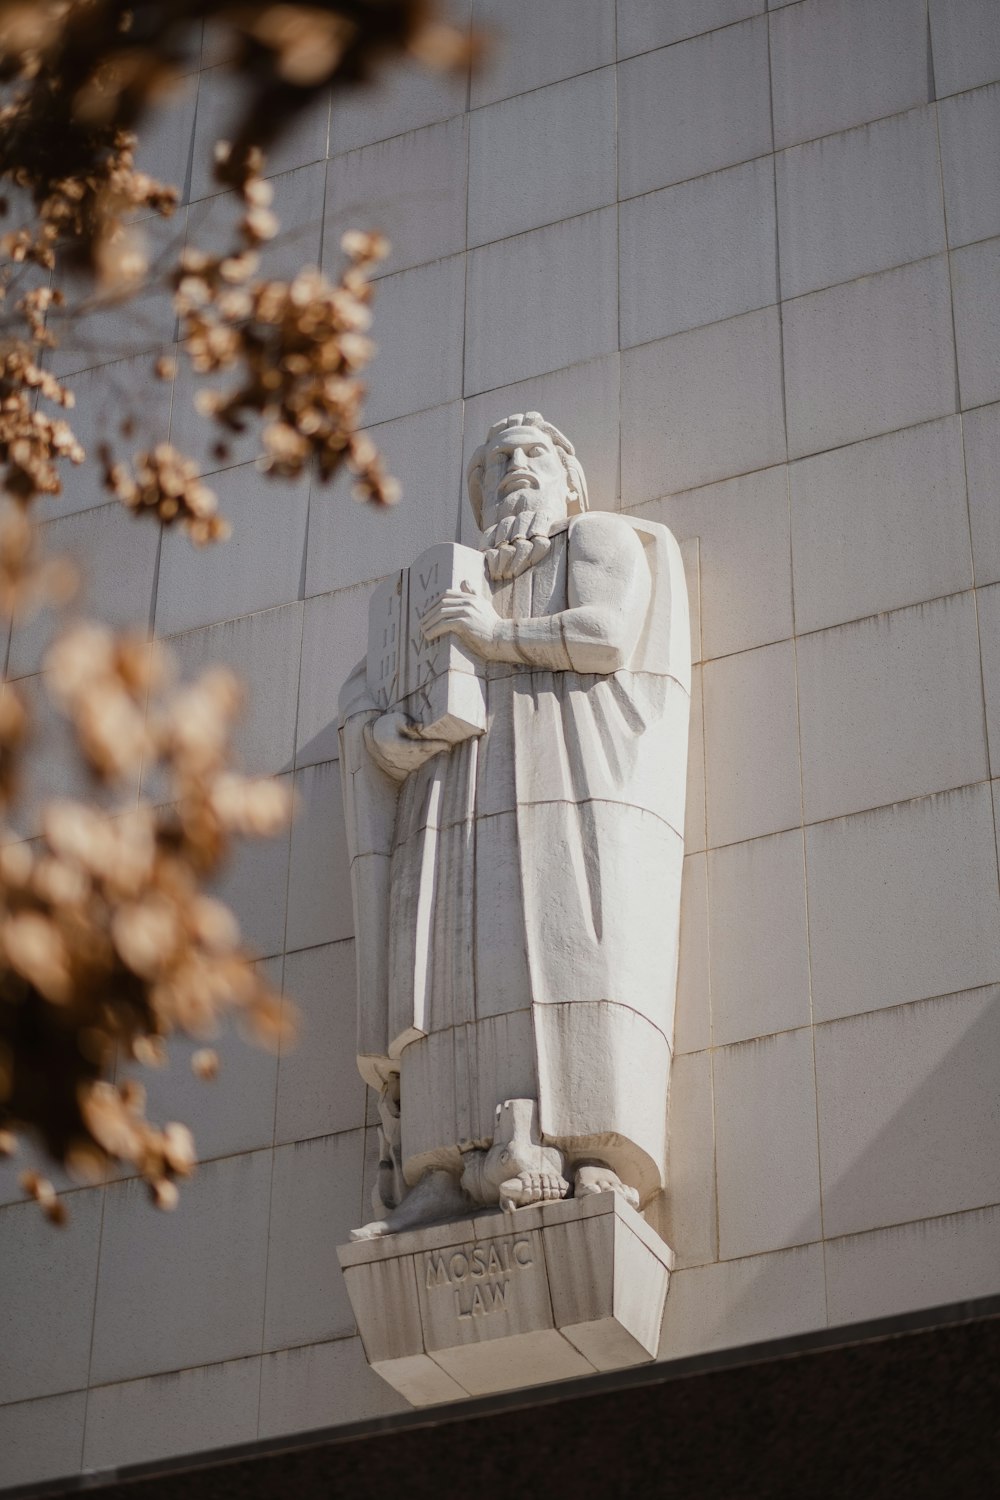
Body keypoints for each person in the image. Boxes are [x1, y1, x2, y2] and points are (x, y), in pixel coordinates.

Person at [338, 413, 690, 1238]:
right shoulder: (440, 586)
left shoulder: (591, 538)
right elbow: (367, 691)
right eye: (493, 461)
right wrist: (385, 733)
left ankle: (594, 1149)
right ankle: (437, 1166)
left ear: (568, 475)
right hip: (450, 793)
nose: (512, 469)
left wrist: (493, 636)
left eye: (531, 454)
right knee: (450, 966)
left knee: (573, 946)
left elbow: (606, 636)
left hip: (562, 774)